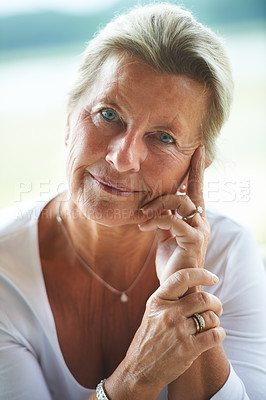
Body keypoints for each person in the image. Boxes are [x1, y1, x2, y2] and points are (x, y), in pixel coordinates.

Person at [0, 3, 265, 400]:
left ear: (198, 164)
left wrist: (187, 293)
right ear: (70, 118)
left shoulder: (228, 252)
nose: (122, 158)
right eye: (108, 114)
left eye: (163, 138)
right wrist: (137, 377)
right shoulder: (6, 269)